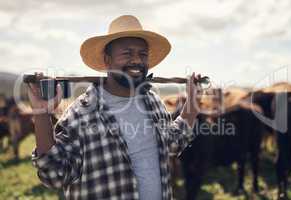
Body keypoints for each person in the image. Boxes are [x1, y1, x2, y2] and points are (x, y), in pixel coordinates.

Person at [28, 15, 202, 200]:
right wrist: (41, 114)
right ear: (107, 60)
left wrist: (191, 108)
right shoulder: (81, 113)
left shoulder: (153, 103)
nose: (136, 60)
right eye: (127, 53)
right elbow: (55, 174)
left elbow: (170, 145)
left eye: (142, 54)